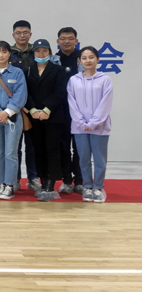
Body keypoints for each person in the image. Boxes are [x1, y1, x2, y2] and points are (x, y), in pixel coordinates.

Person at [67, 46, 113, 203]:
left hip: (100, 127)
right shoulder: (73, 80)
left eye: (91, 57)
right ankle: (87, 186)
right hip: (79, 127)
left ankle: (98, 187)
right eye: (84, 58)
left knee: (100, 159)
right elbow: (71, 102)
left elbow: (105, 103)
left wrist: (94, 123)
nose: (88, 60)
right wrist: (80, 122)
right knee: (83, 159)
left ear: (97, 59)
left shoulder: (105, 79)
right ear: (79, 60)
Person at [25, 39, 67, 202]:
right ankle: (42, 182)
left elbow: (60, 92)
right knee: (38, 150)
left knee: (52, 149)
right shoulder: (28, 70)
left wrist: (47, 109)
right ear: (33, 53)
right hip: (34, 117)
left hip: (53, 116)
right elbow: (25, 92)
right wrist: (33, 110)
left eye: (44, 51)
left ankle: (51, 184)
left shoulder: (58, 70)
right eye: (38, 51)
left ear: (49, 52)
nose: (41, 54)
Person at [0, 41, 27, 200]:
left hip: (13, 118)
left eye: (4, 51)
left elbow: (20, 94)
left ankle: (10, 185)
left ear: (9, 53)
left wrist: (8, 112)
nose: (1, 55)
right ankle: (1, 183)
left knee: (10, 152)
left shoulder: (17, 73)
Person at [9, 20, 40, 192]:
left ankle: (33, 177)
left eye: (25, 32)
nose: (22, 35)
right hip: (14, 105)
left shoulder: (37, 51)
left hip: (34, 105)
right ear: (13, 35)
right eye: (18, 33)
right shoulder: (8, 52)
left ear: (30, 34)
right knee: (14, 146)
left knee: (33, 145)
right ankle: (14, 178)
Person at [56, 27, 84, 194]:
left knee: (80, 146)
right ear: (58, 41)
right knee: (63, 146)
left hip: (81, 111)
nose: (67, 41)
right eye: (63, 38)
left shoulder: (83, 58)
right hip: (62, 110)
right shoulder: (54, 60)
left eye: (70, 38)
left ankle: (79, 180)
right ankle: (66, 179)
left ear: (76, 41)